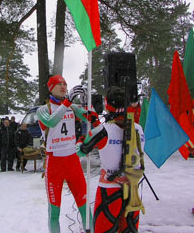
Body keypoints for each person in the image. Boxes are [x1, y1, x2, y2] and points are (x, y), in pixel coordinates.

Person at [76, 86, 145, 233]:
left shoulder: (102, 130)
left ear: (107, 105)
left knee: (104, 229)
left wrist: (81, 140)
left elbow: (81, 151)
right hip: (132, 188)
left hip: (109, 189)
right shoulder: (138, 128)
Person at [36, 75, 91, 233]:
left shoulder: (72, 107)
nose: (63, 86)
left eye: (65, 83)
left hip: (73, 162)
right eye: (58, 84)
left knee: (85, 207)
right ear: (50, 88)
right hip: (54, 164)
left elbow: (93, 120)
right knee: (54, 211)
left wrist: (87, 103)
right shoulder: (43, 110)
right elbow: (51, 122)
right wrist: (68, 102)